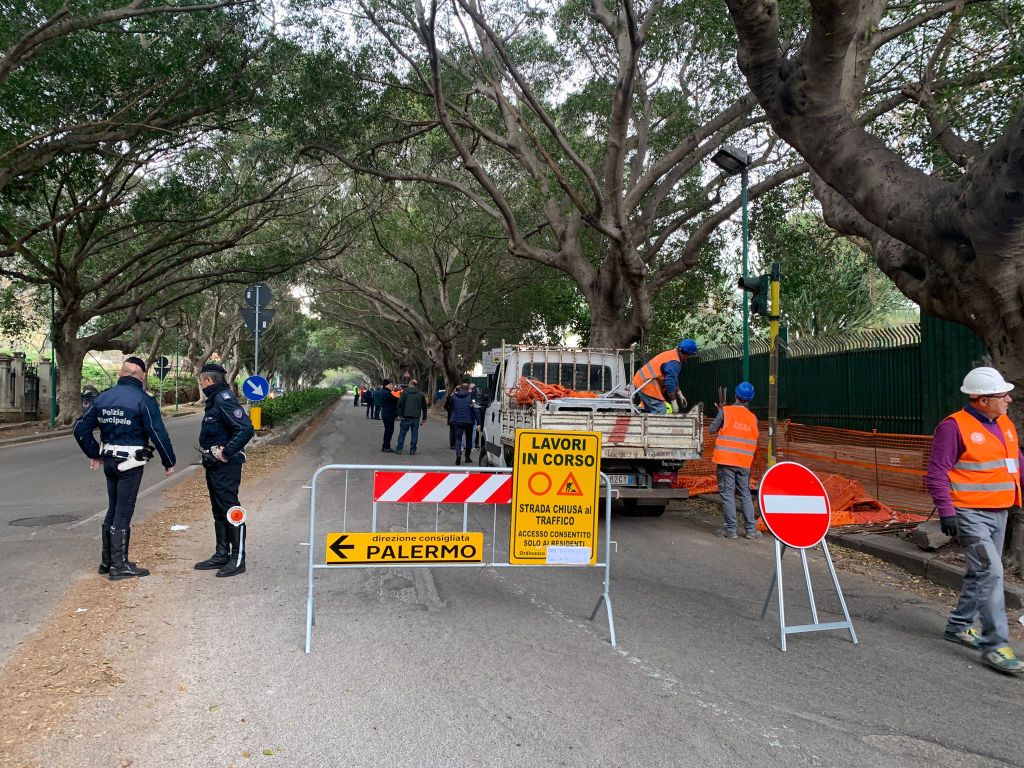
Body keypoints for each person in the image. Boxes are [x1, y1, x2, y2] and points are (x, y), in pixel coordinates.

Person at [925, 366, 1024, 675]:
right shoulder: (954, 427)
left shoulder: (1004, 423)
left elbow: (1016, 462)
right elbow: (937, 473)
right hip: (970, 514)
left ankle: (958, 626)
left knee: (979, 572)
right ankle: (995, 646)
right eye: (1001, 395)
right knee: (992, 573)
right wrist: (947, 511)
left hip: (1000, 512)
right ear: (981, 400)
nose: (1008, 399)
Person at [73, 356, 176, 580]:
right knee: (124, 509)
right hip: (130, 463)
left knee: (113, 507)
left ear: (121, 374)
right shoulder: (144, 400)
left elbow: (80, 429)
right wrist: (168, 460)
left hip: (109, 461)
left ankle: (107, 561)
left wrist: (95, 453)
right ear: (142, 376)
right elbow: (157, 433)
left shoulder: (103, 398)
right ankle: (119, 566)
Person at [194, 362, 255, 578]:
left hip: (226, 465)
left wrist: (226, 453)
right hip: (214, 464)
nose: (201, 384)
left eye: (201, 380)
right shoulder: (214, 401)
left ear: (208, 380)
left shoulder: (224, 400)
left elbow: (246, 428)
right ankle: (222, 554)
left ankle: (238, 559)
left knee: (230, 509)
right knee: (218, 510)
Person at [710, 382, 761, 540]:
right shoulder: (752, 418)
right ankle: (751, 530)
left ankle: (731, 530)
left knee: (727, 494)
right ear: (750, 399)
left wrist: (721, 415)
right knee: (745, 494)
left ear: (736, 395)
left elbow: (711, 429)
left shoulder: (725, 411)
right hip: (744, 462)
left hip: (726, 461)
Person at [632, 339, 698, 414]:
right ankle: (655, 425)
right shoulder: (674, 362)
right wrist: (674, 403)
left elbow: (673, 378)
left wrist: (679, 393)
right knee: (660, 410)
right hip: (646, 383)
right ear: (688, 354)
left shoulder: (673, 355)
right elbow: (670, 382)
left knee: (655, 409)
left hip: (643, 381)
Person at [395, 378, 428, 456]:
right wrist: (424, 418)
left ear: (410, 384)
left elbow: (400, 404)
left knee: (402, 433)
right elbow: (424, 407)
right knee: (414, 434)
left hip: (405, 416)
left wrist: (400, 415)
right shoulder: (421, 394)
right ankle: (413, 450)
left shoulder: (404, 393)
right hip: (416, 417)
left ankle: (399, 448)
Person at [448, 382, 476, 465]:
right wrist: (477, 420)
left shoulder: (454, 396)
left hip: (457, 420)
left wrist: (454, 392)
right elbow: (474, 408)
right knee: (469, 439)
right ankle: (467, 457)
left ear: (460, 388)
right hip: (469, 420)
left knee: (458, 439)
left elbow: (450, 404)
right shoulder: (471, 396)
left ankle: (458, 454)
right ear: (468, 389)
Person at [380, 379, 400, 452]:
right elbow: (395, 399)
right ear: (388, 385)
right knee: (389, 431)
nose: (392, 386)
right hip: (388, 414)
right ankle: (386, 447)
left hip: (387, 414)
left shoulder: (385, 391)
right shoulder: (386, 393)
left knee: (388, 431)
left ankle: (385, 446)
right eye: (391, 384)